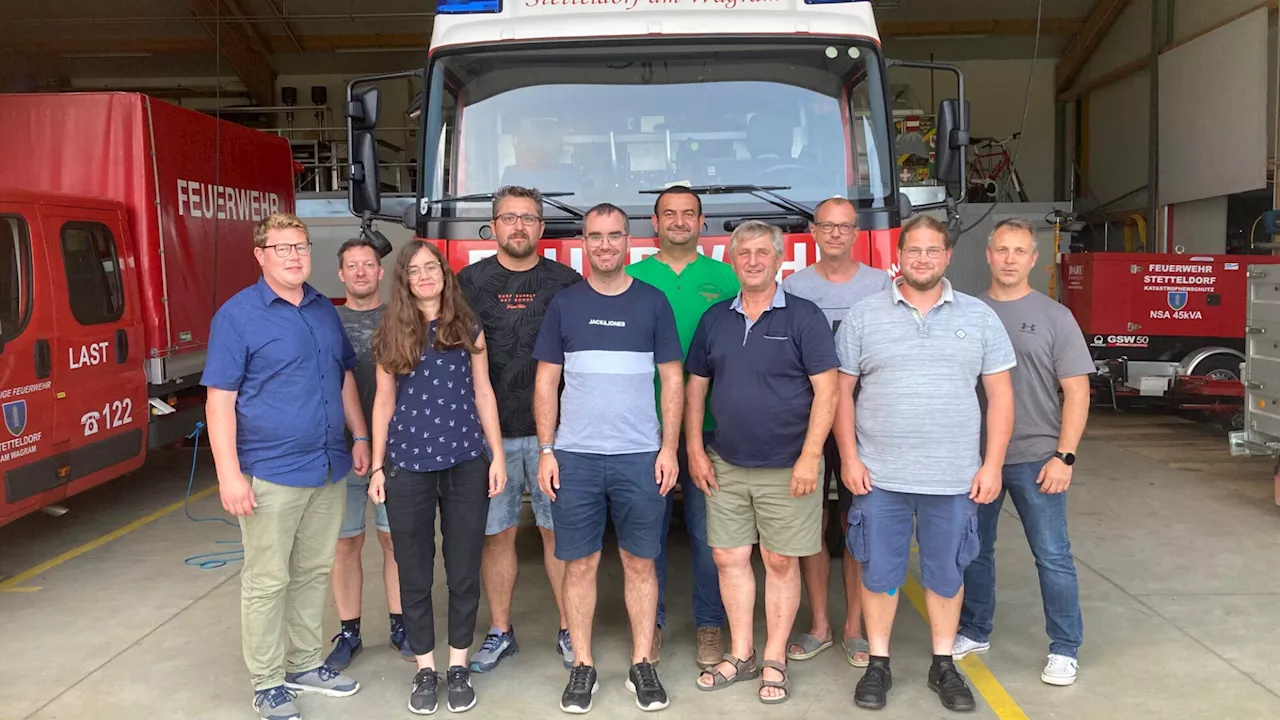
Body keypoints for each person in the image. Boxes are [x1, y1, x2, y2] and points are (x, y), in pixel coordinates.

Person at [833, 213, 1016, 713]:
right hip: (879, 477)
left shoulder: (978, 317)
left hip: (954, 477)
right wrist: (849, 457)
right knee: (878, 573)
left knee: (946, 573)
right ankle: (879, 663)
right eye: (913, 250)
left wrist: (992, 465)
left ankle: (943, 664)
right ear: (899, 255)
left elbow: (1000, 396)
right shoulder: (864, 316)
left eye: (933, 251)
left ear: (948, 256)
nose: (922, 259)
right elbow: (841, 394)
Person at [202, 213, 366, 720]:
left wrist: (358, 435)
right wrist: (229, 474)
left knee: (314, 571)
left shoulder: (322, 309)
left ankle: (302, 663)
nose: (294, 256)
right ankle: (268, 681)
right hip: (271, 472)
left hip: (327, 466)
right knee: (268, 579)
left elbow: (342, 379)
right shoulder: (238, 315)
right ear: (260, 255)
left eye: (301, 246)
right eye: (282, 248)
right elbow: (219, 399)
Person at [533, 203, 685, 714]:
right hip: (574, 457)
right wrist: (547, 450)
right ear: (583, 242)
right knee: (580, 565)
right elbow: (546, 382)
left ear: (629, 242)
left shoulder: (654, 303)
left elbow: (672, 379)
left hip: (640, 456)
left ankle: (643, 664)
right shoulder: (565, 305)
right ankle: (582, 666)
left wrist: (668, 448)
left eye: (613, 236)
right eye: (595, 236)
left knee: (641, 563)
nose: (604, 245)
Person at [686, 220, 840, 705]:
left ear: (779, 260)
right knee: (728, 557)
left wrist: (811, 456)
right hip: (725, 463)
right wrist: (694, 448)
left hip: (788, 465)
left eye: (762, 253)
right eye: (744, 253)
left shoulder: (804, 316)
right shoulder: (715, 319)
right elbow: (695, 388)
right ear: (732, 260)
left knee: (778, 560)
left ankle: (774, 656)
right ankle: (741, 652)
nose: (752, 260)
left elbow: (827, 390)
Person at [366, 240, 508, 715]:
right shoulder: (391, 330)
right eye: (415, 270)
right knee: (414, 571)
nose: (425, 276)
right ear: (404, 279)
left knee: (464, 568)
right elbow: (383, 402)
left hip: (467, 462)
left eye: (432, 268)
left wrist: (497, 456)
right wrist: (378, 467)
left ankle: (459, 665)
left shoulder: (467, 326)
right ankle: (426, 669)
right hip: (407, 466)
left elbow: (484, 393)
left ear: (445, 275)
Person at [954, 218, 1093, 686]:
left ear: (1034, 259)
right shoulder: (966, 313)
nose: (1010, 259)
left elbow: (1077, 391)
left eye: (1020, 251)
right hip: (976, 459)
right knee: (975, 553)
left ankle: (1065, 647)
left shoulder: (1056, 317)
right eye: (1002, 250)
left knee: (1052, 555)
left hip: (1038, 458)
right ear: (988, 255)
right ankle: (974, 630)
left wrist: (1065, 456)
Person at [457, 186, 583, 673]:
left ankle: (570, 628)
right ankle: (500, 630)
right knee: (498, 534)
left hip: (558, 435)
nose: (519, 227)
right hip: (491, 437)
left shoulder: (567, 283)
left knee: (558, 534)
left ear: (541, 226)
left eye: (528, 218)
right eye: (509, 218)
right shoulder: (466, 284)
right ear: (494, 225)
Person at [626, 186, 738, 669]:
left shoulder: (727, 277)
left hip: (714, 428)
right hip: (640, 427)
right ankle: (650, 626)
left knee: (706, 531)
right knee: (646, 536)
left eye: (687, 214)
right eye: (668, 214)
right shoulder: (630, 276)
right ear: (655, 222)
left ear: (701, 222)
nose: (678, 221)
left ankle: (709, 625)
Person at [780, 197, 889, 668]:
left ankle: (854, 630)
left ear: (856, 231)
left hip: (866, 423)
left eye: (845, 226)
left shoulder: (881, 285)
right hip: (805, 422)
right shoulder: (794, 286)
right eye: (827, 226)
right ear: (814, 230)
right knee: (811, 524)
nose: (836, 234)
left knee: (855, 523)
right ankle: (820, 624)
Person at [325, 238, 413, 670]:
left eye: (368, 265)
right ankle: (349, 632)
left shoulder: (402, 318)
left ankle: (401, 626)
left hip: (393, 453)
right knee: (346, 544)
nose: (360, 272)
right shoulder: (326, 320)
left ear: (381, 272)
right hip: (340, 453)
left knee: (393, 540)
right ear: (340, 274)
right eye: (351, 266)